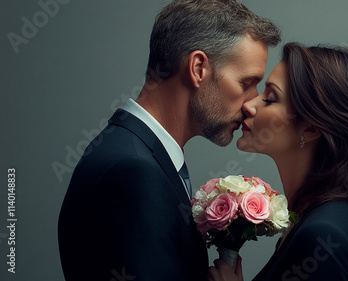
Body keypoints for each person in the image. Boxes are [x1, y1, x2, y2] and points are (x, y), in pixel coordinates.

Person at [58, 0, 280, 280]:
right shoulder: (133, 170)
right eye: (246, 83)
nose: (251, 104)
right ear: (198, 68)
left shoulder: (136, 152)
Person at [208, 42, 348, 281]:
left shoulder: (323, 235)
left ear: (312, 127)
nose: (249, 105)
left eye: (270, 98)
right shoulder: (309, 218)